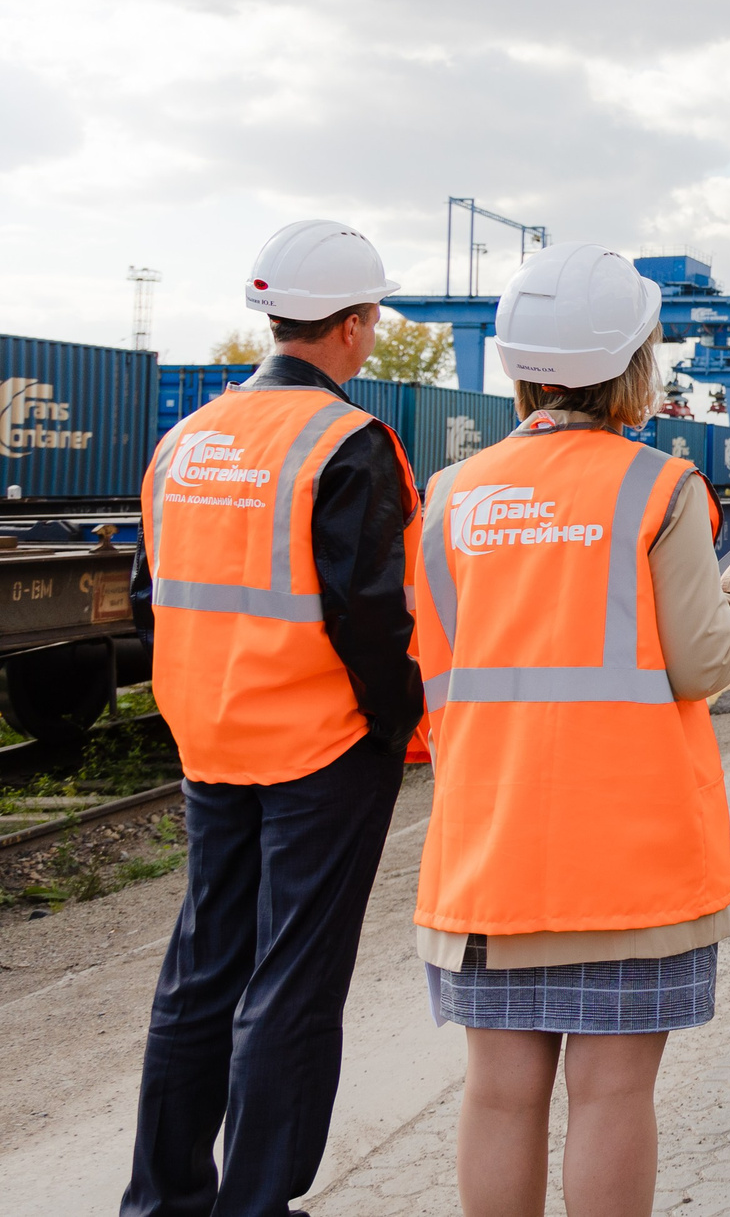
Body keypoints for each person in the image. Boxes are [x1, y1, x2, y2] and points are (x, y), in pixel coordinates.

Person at [409, 244, 730, 1217]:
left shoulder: (452, 497)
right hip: (627, 859)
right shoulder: (658, 489)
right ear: (635, 366)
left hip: (489, 849)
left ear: (517, 366)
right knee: (611, 1094)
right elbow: (702, 663)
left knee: (497, 1095)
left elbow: (438, 671)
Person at [125, 220, 424, 1217]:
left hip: (211, 742)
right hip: (321, 750)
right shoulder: (347, 442)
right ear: (352, 324)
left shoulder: (186, 440)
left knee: (201, 970)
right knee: (292, 987)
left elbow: (147, 599)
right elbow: (372, 620)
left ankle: (163, 1201)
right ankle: (255, 1205)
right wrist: (397, 727)